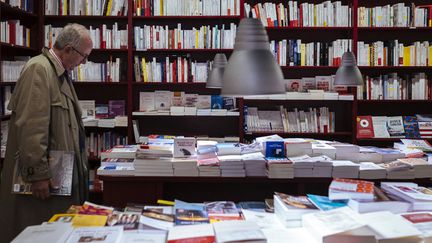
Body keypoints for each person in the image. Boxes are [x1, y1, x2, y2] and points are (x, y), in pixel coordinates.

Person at [0, 23, 92, 242]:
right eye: (84, 56)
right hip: (44, 183)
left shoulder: (59, 72)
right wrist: (38, 174)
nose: (84, 62)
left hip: (59, 179)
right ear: (68, 49)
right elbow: (32, 127)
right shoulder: (39, 69)